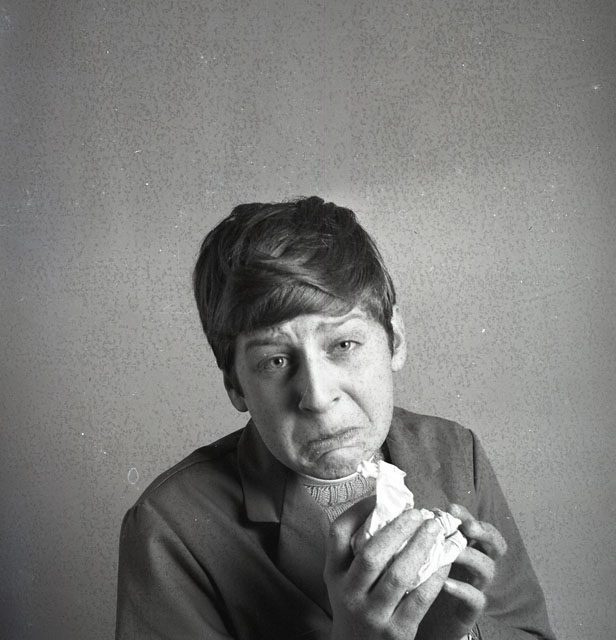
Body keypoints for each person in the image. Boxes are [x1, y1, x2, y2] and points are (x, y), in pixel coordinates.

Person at [115, 196, 556, 640]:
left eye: (343, 345)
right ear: (236, 386)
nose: (318, 397)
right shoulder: (169, 528)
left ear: (395, 339)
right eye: (275, 361)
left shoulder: (456, 452)